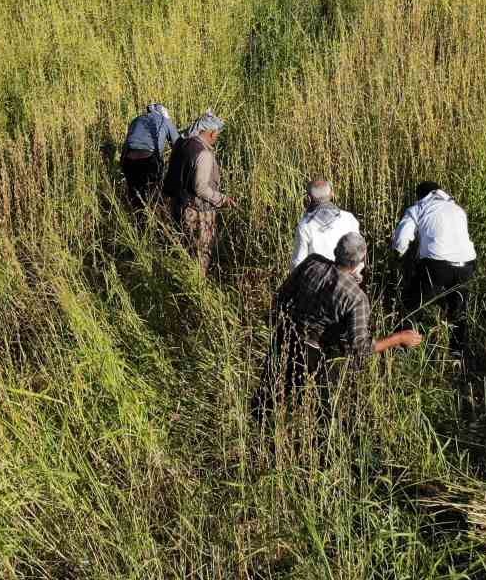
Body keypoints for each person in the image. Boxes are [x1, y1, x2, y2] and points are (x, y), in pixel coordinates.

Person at [254, 232, 423, 421]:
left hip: (284, 336)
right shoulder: (357, 298)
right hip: (313, 354)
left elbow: (281, 297)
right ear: (360, 261)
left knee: (266, 397)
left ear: (336, 251)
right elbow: (361, 347)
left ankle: (258, 427)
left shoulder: (312, 262)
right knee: (319, 412)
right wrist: (399, 338)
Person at [390, 182, 478, 324]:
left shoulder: (418, 208)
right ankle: (458, 337)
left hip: (436, 266)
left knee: (412, 308)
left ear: (420, 196)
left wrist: (398, 257)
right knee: (458, 315)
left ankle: (407, 333)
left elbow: (401, 241)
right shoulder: (458, 209)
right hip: (467, 266)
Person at [163, 111, 236, 274]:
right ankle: (198, 285)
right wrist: (223, 199)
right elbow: (200, 188)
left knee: (183, 253)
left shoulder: (182, 144)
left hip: (178, 206)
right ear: (211, 133)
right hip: (197, 213)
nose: (216, 138)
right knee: (200, 256)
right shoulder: (204, 153)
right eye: (217, 135)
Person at [289, 178, 360, 272]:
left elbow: (298, 264)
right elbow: (359, 254)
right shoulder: (349, 218)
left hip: (319, 278)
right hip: (347, 277)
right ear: (332, 194)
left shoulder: (305, 225)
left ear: (309, 198)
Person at [120, 102, 178, 207]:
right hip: (149, 160)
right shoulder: (165, 120)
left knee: (135, 196)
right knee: (153, 195)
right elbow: (178, 145)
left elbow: (126, 144)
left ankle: (137, 215)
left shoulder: (136, 120)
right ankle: (154, 213)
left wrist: (122, 166)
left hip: (128, 160)